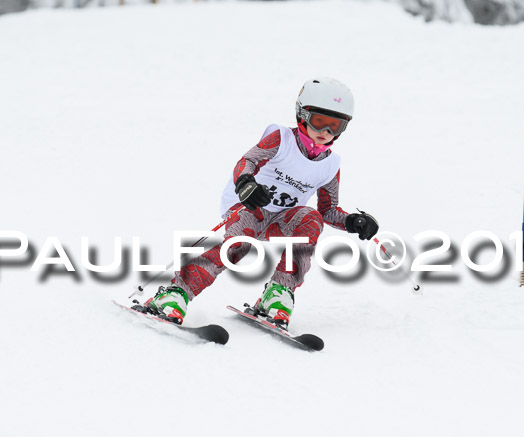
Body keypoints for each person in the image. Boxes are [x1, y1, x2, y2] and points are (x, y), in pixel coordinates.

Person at [143, 77, 379, 329]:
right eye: (320, 122)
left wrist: (353, 222)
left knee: (311, 218)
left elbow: (328, 210)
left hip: (281, 221)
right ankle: (176, 294)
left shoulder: (330, 165)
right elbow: (247, 162)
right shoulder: (281, 139)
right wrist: (246, 183)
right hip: (249, 206)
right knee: (238, 247)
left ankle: (277, 295)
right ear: (302, 114)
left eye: (336, 125)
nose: (326, 133)